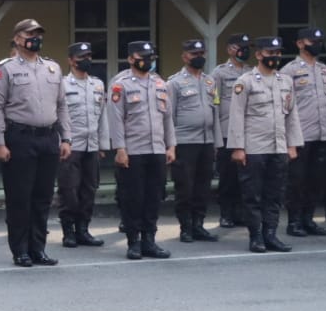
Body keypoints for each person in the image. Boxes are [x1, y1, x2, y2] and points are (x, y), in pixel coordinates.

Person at [0, 18, 72, 267]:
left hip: (48, 138)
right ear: (17, 39)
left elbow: (62, 106)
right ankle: (20, 250)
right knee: (20, 198)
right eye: (29, 34)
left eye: (37, 34)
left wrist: (66, 137)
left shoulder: (53, 68)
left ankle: (38, 248)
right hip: (20, 138)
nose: (34, 38)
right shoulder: (6, 69)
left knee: (43, 197)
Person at [227, 37, 303, 253]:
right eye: (270, 53)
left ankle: (271, 235)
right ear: (259, 54)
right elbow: (236, 116)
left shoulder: (285, 81)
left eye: (278, 53)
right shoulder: (246, 81)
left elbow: (292, 115)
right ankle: (256, 236)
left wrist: (293, 144)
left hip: (279, 147)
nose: (275, 57)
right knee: (253, 195)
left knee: (275, 194)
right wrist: (238, 147)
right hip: (254, 148)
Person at [107, 41, 176, 260]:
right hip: (132, 150)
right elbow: (116, 119)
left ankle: (149, 240)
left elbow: (167, 118)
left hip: (156, 149)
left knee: (153, 197)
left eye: (151, 57)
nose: (147, 61)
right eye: (143, 56)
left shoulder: (159, 83)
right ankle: (133, 242)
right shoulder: (121, 84)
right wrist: (120, 148)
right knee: (132, 198)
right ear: (130, 58)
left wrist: (171, 145)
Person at [280, 27, 326, 237]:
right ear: (300, 43)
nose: (316, 44)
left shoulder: (325, 70)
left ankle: (308, 219)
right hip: (300, 136)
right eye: (311, 41)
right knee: (297, 181)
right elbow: (285, 107)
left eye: (319, 41)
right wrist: (288, 137)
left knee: (316, 181)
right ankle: (294, 221)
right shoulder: (289, 71)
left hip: (322, 135)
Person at [166, 39, 221, 243]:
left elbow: (214, 111)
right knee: (185, 187)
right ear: (184, 57)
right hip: (184, 142)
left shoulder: (210, 81)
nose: (198, 57)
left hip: (206, 142)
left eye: (201, 53)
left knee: (203, 186)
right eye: (193, 54)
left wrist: (216, 143)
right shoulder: (174, 82)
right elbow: (168, 117)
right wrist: (170, 144)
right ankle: (185, 227)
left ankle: (199, 225)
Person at [57, 41, 108, 248]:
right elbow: (57, 116)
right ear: (70, 60)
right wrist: (61, 142)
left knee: (89, 190)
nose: (86, 60)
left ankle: (83, 230)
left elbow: (103, 116)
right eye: (81, 57)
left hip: (91, 146)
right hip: (71, 146)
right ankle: (68, 231)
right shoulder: (62, 84)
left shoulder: (97, 84)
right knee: (69, 191)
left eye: (88, 56)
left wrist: (103, 145)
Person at [211, 33, 252, 228]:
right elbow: (215, 104)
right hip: (227, 132)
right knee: (227, 177)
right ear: (229, 50)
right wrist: (217, 138)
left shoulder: (251, 72)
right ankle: (226, 213)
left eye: (245, 46)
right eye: (238, 46)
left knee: (245, 177)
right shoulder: (219, 73)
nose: (243, 50)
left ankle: (240, 213)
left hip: (248, 132)